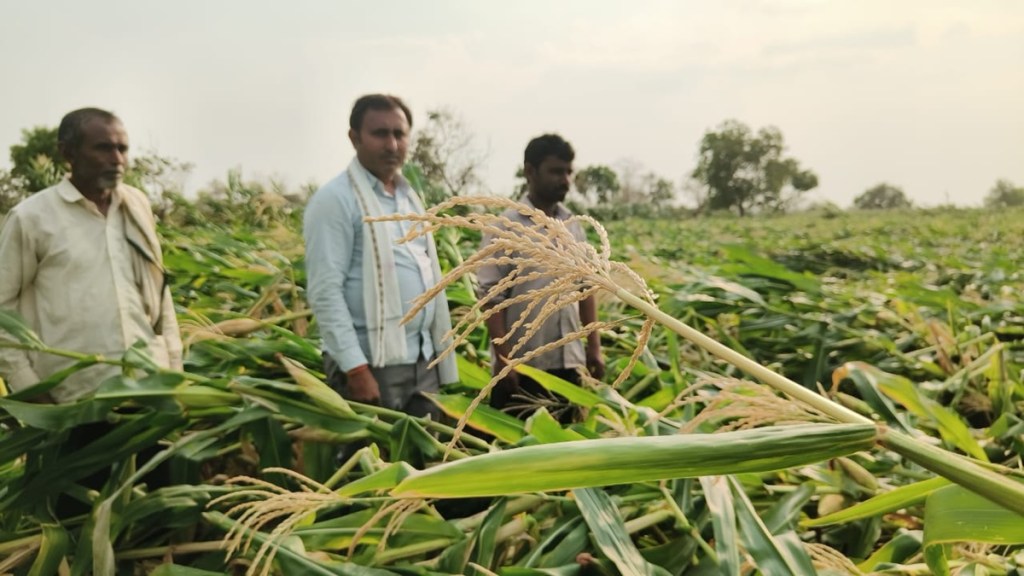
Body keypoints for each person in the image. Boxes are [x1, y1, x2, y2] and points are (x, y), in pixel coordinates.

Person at [0, 107, 183, 402]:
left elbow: (160, 294)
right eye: (103, 148)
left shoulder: (137, 206)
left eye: (122, 148)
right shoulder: (31, 218)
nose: (117, 159)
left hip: (152, 390)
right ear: (68, 152)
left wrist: (174, 367)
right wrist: (31, 389)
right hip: (73, 399)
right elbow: (2, 312)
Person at [304, 94, 457, 420]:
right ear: (354, 137)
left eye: (399, 134)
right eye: (380, 134)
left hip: (421, 361)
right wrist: (355, 369)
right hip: (371, 365)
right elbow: (325, 291)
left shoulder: (409, 199)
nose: (392, 144)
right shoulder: (335, 200)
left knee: (426, 464)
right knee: (374, 464)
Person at [476, 134, 605, 421]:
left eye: (569, 172)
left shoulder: (573, 226)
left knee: (568, 448)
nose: (566, 180)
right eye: (556, 171)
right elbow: (490, 297)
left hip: (569, 362)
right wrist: (504, 359)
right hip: (522, 366)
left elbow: (587, 290)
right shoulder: (505, 227)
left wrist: (593, 347)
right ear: (530, 171)